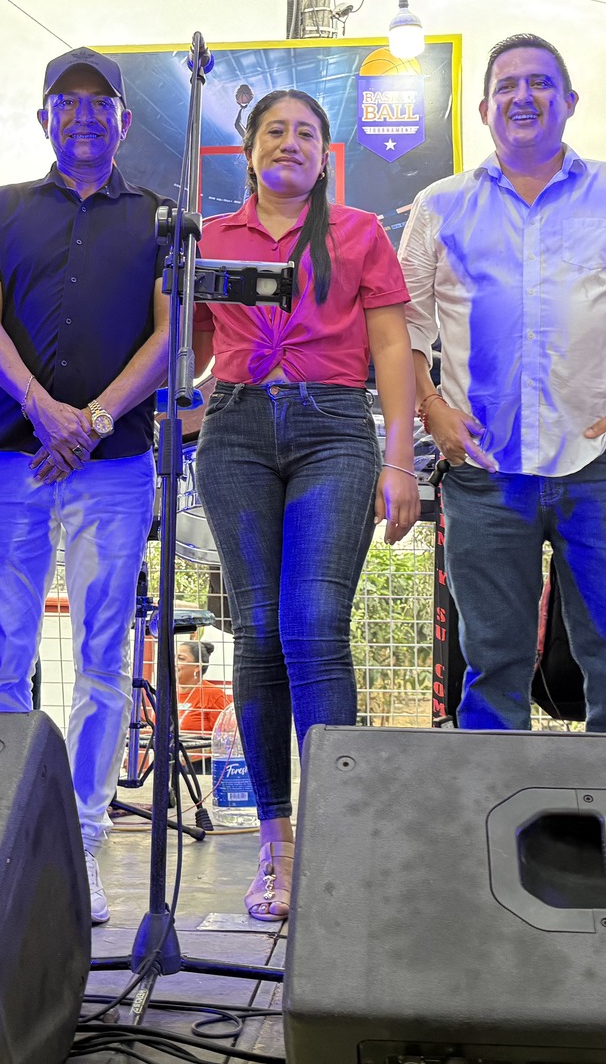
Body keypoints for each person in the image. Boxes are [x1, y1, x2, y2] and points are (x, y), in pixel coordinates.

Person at [400, 34, 606, 734]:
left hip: (604, 465)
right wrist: (431, 408)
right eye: (506, 86)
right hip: (483, 468)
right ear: (484, 109)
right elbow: (402, 324)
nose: (523, 96)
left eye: (539, 83)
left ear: (569, 101)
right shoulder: (440, 205)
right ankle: (497, 804)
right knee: (490, 666)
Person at [191, 88, 419, 920]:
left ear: (325, 155)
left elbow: (391, 343)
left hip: (335, 429)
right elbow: (189, 347)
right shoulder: (209, 238)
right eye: (275, 131)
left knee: (313, 624)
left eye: (307, 134)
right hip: (237, 431)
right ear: (249, 150)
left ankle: (336, 839)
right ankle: (277, 852)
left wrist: (401, 459)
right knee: (256, 631)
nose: (290, 142)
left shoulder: (359, 233)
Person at [0, 46, 169, 925]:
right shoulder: (0, 207)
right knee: (3, 656)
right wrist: (44, 410)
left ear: (124, 120)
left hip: (113, 469)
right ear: (44, 118)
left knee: (104, 660)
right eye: (66, 103)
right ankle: (3, 838)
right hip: (13, 459)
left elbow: (171, 337)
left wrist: (94, 419)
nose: (83, 117)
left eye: (99, 104)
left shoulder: (159, 218)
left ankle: (80, 842)